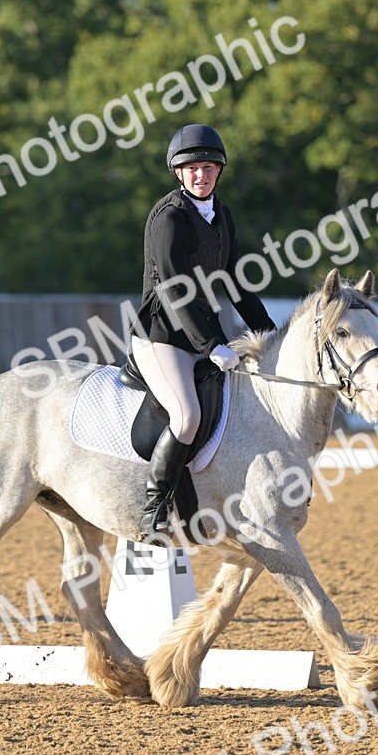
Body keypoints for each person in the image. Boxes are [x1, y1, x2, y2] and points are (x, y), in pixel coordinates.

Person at [129, 124, 277, 539]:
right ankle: (155, 505)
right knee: (188, 415)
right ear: (179, 172)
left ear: (219, 171)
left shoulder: (221, 216)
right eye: (192, 168)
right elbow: (174, 292)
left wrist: (270, 335)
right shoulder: (170, 218)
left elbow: (238, 284)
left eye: (209, 167)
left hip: (201, 329)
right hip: (162, 334)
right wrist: (211, 345)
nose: (201, 174)